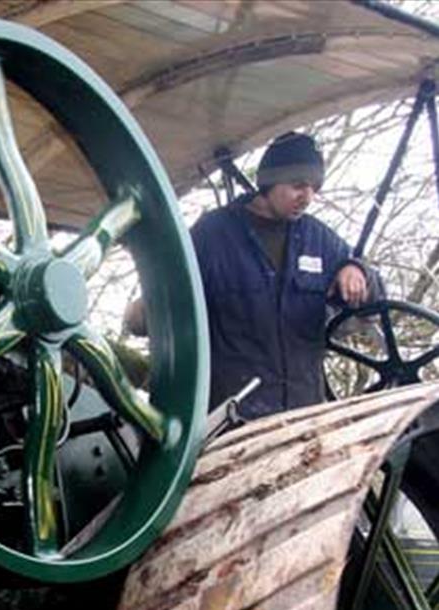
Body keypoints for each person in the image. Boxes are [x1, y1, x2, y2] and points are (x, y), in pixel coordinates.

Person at [126, 131, 376, 419]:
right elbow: (167, 299)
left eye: (314, 188)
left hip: (303, 416)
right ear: (269, 182)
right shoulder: (213, 235)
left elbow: (376, 299)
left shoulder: (320, 240)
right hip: (234, 417)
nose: (307, 197)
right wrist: (146, 311)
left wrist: (358, 270)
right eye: (298, 185)